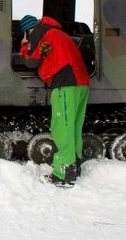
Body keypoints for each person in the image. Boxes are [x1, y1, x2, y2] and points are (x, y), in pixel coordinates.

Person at [19, 14, 90, 187]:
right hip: (82, 82)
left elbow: (30, 61)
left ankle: (64, 173)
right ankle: (75, 164)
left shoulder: (39, 33)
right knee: (73, 126)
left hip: (66, 83)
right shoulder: (58, 33)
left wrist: (24, 46)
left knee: (62, 127)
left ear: (28, 31)